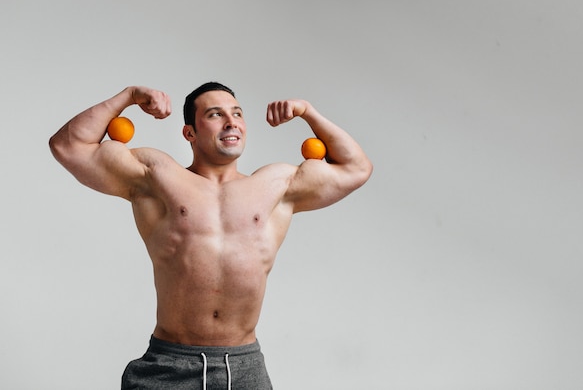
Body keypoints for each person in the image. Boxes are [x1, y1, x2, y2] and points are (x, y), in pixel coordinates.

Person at [49, 82, 373, 389]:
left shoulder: (277, 185)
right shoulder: (156, 175)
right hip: (169, 365)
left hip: (244, 369)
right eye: (215, 114)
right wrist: (128, 96)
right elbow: (68, 145)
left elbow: (356, 167)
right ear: (189, 132)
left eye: (237, 113)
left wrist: (307, 112)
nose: (231, 122)